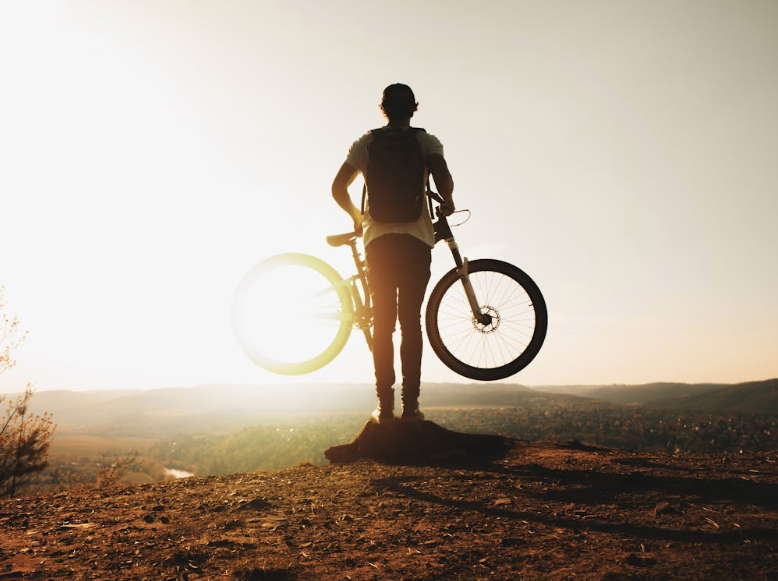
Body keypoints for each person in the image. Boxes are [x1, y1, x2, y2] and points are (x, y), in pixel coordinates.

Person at [331, 83, 455, 422]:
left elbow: (337, 188)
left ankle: (385, 408)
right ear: (414, 108)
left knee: (383, 322)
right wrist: (448, 200)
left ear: (382, 109)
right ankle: (411, 407)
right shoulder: (426, 141)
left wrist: (359, 219)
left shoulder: (366, 143)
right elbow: (442, 176)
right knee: (410, 323)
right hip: (416, 240)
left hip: (378, 243)